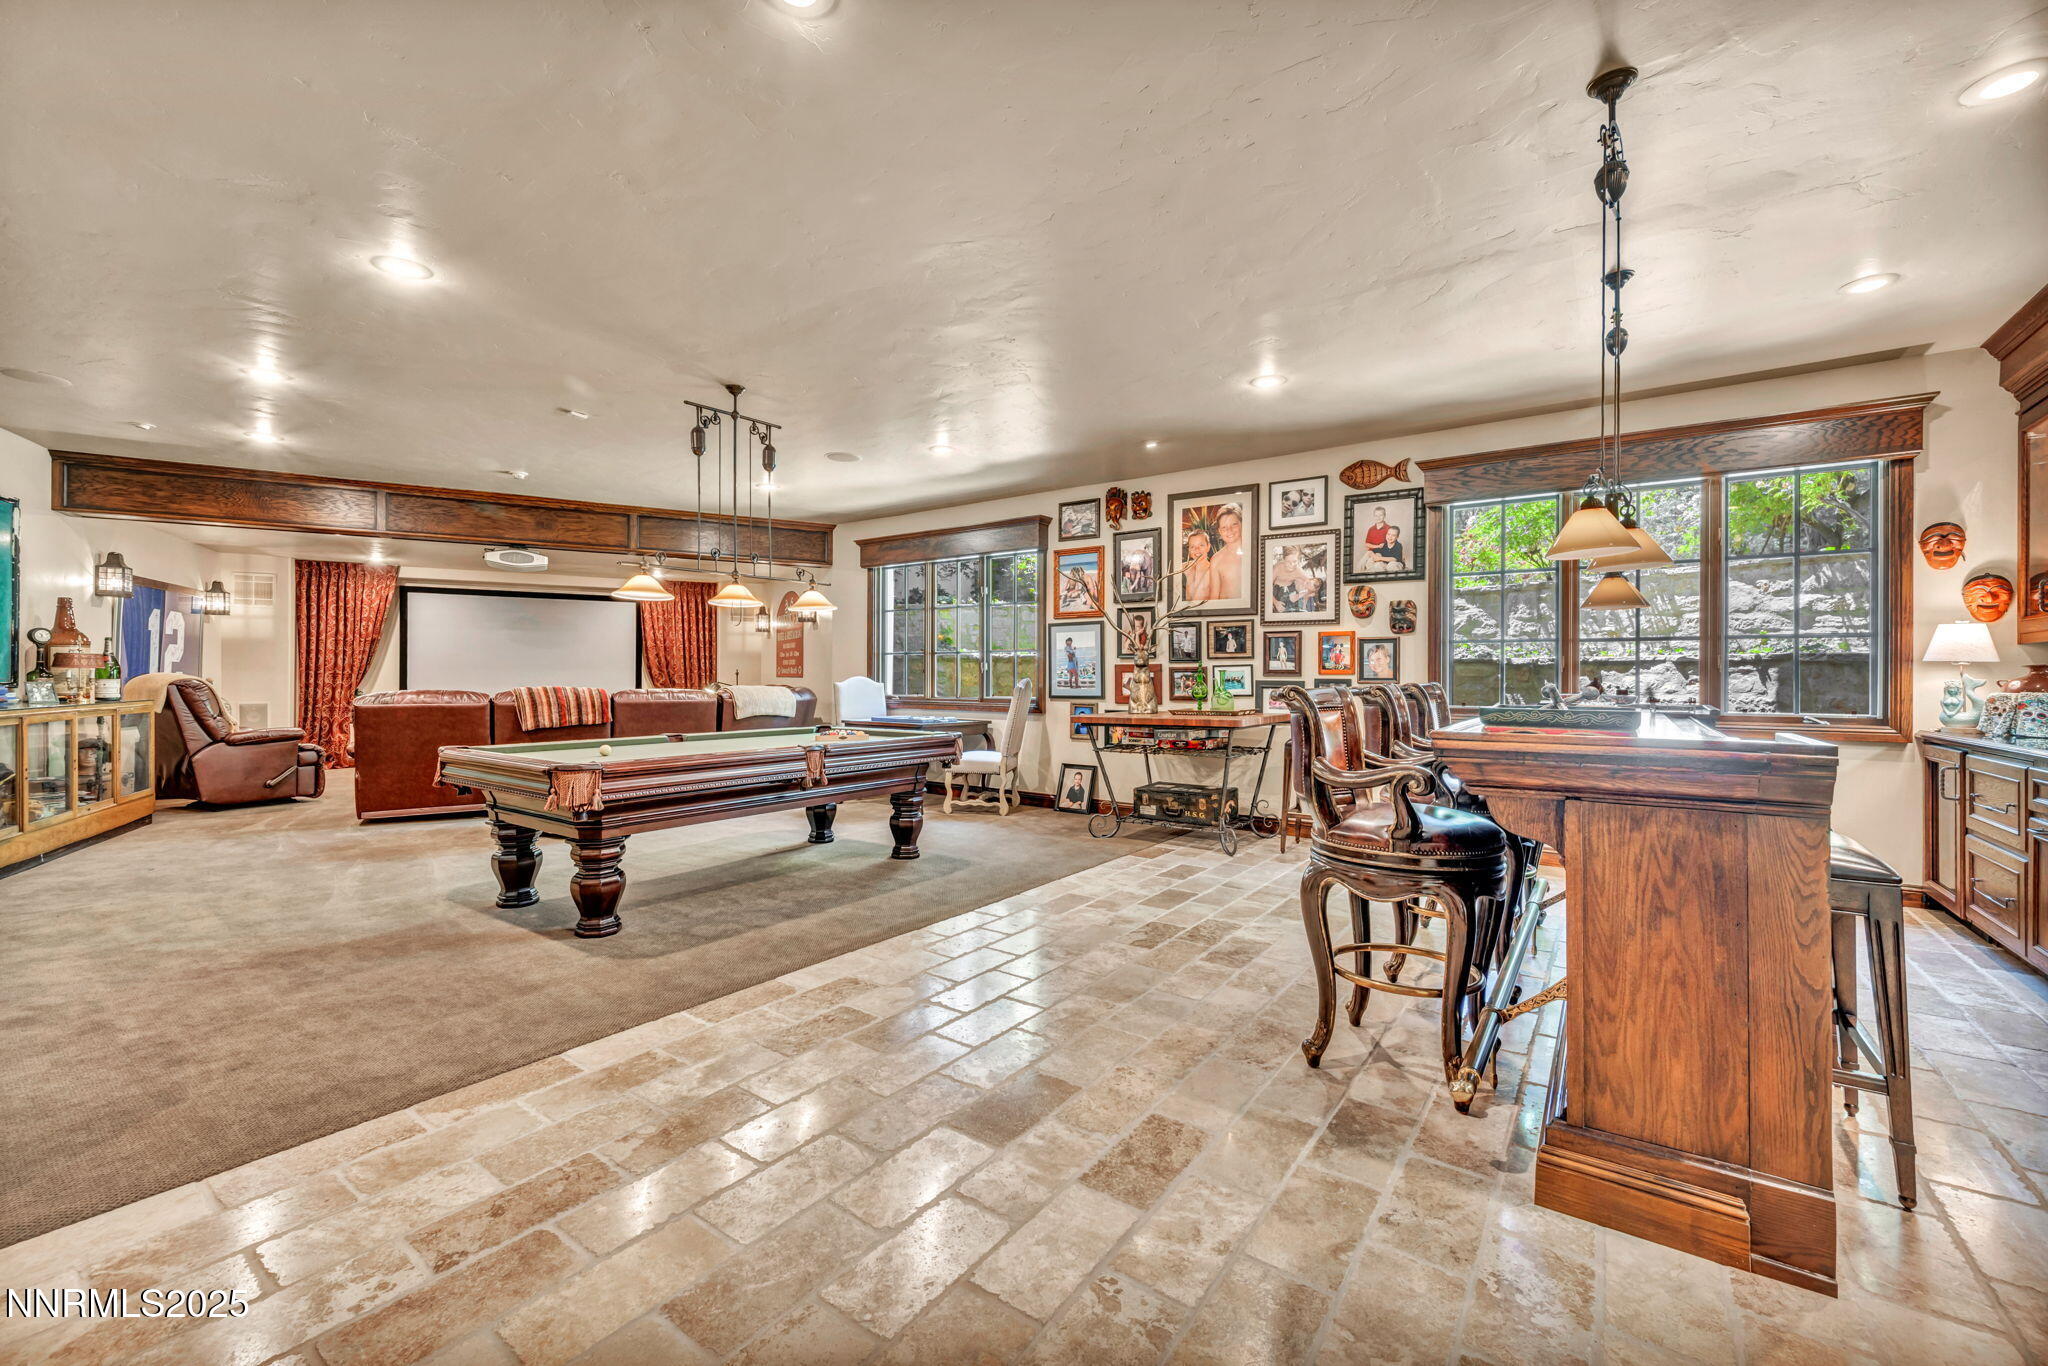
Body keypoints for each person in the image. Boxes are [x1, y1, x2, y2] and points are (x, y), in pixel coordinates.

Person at [1211, 505, 1246, 600]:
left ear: (1242, 524)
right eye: (1224, 527)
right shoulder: (1216, 559)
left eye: (1234, 524)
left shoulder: (1254, 552)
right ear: (1219, 531)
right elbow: (1214, 595)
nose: (1229, 530)